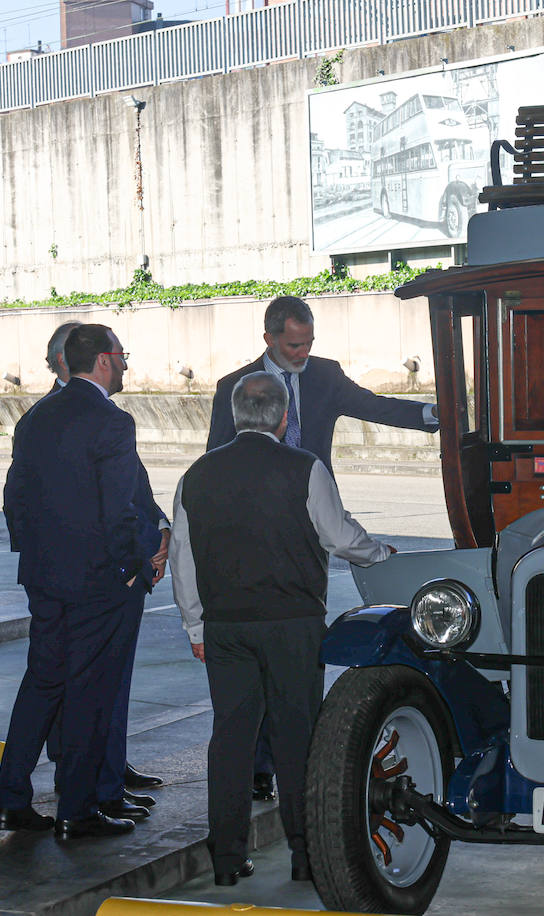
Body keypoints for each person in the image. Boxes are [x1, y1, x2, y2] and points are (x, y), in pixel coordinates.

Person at [205, 294, 436, 800]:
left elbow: (375, 406)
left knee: (300, 644)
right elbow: (215, 466)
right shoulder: (234, 388)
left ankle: (296, 753)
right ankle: (262, 765)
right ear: (268, 339)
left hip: (309, 526)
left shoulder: (325, 376)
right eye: (293, 345)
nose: (303, 352)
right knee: (257, 650)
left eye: (309, 342)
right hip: (253, 536)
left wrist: (435, 414)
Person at [171, 371, 393, 886]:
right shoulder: (305, 469)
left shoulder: (196, 474)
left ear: (234, 415)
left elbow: (183, 561)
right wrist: (381, 552)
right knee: (297, 739)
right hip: (294, 625)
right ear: (284, 416)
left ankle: (226, 859)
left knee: (231, 741)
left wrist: (196, 627)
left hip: (226, 627)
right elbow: (339, 537)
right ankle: (306, 854)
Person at [0, 323, 159, 840]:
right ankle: (78, 809)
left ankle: (12, 800)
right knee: (90, 693)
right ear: (105, 361)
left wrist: (39, 556)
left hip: (45, 577)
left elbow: (15, 501)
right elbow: (120, 511)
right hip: (96, 581)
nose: (127, 365)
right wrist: (133, 565)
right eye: (123, 356)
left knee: (43, 684)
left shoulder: (36, 418)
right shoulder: (111, 421)